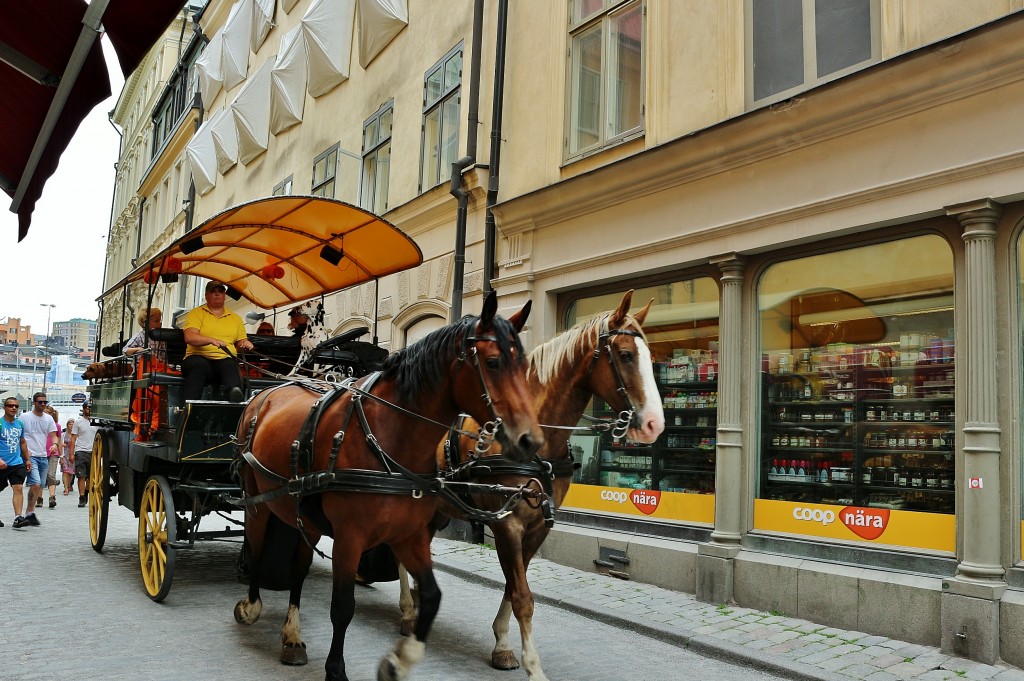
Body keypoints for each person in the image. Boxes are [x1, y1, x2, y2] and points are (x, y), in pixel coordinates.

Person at [181, 280, 254, 403]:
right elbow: (190, 337)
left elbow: (240, 342)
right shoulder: (196, 313)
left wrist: (245, 344)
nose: (217, 294)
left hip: (223, 360)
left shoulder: (235, 318)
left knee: (230, 364)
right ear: (206, 296)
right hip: (197, 357)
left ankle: (234, 397)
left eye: (220, 291)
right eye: (213, 291)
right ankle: (189, 405)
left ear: (224, 295)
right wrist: (211, 340)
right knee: (200, 365)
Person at [15, 392, 57, 527]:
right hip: (30, 455)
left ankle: (30, 512)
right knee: (36, 483)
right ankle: (28, 513)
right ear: (34, 403)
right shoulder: (24, 417)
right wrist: (22, 452)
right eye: (40, 402)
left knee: (40, 486)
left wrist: (55, 444)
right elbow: (18, 434)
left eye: (45, 402)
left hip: (43, 456)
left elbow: (54, 435)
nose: (43, 404)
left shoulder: (48, 418)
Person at [0, 398, 29, 528]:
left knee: (18, 488)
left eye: (16, 406)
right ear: (4, 407)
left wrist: (27, 459)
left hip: (16, 462)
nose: (13, 408)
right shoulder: (0, 423)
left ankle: (18, 517)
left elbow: (22, 442)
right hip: (1, 463)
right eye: (10, 405)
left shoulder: (20, 424)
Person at [69, 403, 97, 508]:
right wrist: (71, 453)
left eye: (91, 408)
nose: (89, 410)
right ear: (84, 409)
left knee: (91, 476)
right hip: (81, 451)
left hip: (93, 451)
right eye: (87, 408)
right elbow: (73, 438)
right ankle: (81, 497)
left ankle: (86, 491)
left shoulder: (97, 422)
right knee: (81, 475)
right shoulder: (78, 422)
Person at [43, 405, 61, 508]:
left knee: (51, 475)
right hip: (41, 452)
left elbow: (59, 440)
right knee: (41, 477)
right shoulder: (40, 424)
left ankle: (52, 497)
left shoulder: (56, 426)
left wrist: (61, 455)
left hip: (53, 452)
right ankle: (39, 498)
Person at [61, 418, 75, 496]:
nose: (71, 426)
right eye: (70, 424)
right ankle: (66, 488)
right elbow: (60, 444)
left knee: (71, 472)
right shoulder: (63, 434)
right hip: (65, 455)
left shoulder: (75, 435)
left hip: (72, 454)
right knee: (65, 471)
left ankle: (69, 484)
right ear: (67, 425)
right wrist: (61, 456)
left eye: (72, 424)